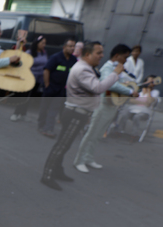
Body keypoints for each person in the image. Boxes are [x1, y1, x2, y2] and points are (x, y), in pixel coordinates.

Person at [40, 41, 124, 191]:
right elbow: (98, 88)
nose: (102, 56)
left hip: (77, 112)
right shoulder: (83, 69)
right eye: (98, 53)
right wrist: (115, 73)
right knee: (61, 145)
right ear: (87, 54)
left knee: (64, 144)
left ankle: (58, 171)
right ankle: (47, 175)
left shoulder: (86, 67)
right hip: (75, 113)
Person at [72, 44, 137, 173]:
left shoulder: (117, 68)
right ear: (117, 56)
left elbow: (118, 84)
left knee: (98, 134)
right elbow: (110, 84)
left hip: (111, 105)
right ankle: (79, 161)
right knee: (92, 133)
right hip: (101, 104)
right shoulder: (108, 67)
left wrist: (127, 87)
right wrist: (129, 91)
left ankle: (88, 158)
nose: (126, 60)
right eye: (125, 57)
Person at [37, 38, 77, 138]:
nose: (72, 48)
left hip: (61, 90)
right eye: (70, 46)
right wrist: (47, 85)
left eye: (73, 46)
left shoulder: (73, 60)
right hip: (50, 87)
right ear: (64, 47)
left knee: (54, 109)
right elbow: (46, 70)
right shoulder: (56, 57)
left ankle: (48, 129)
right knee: (44, 108)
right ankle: (41, 125)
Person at [10, 35, 48, 122]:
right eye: (42, 43)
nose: (44, 45)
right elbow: (22, 63)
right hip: (28, 78)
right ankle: (16, 113)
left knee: (30, 97)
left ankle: (23, 114)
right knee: (24, 96)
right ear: (37, 43)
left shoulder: (44, 52)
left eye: (45, 43)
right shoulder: (30, 52)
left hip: (38, 79)